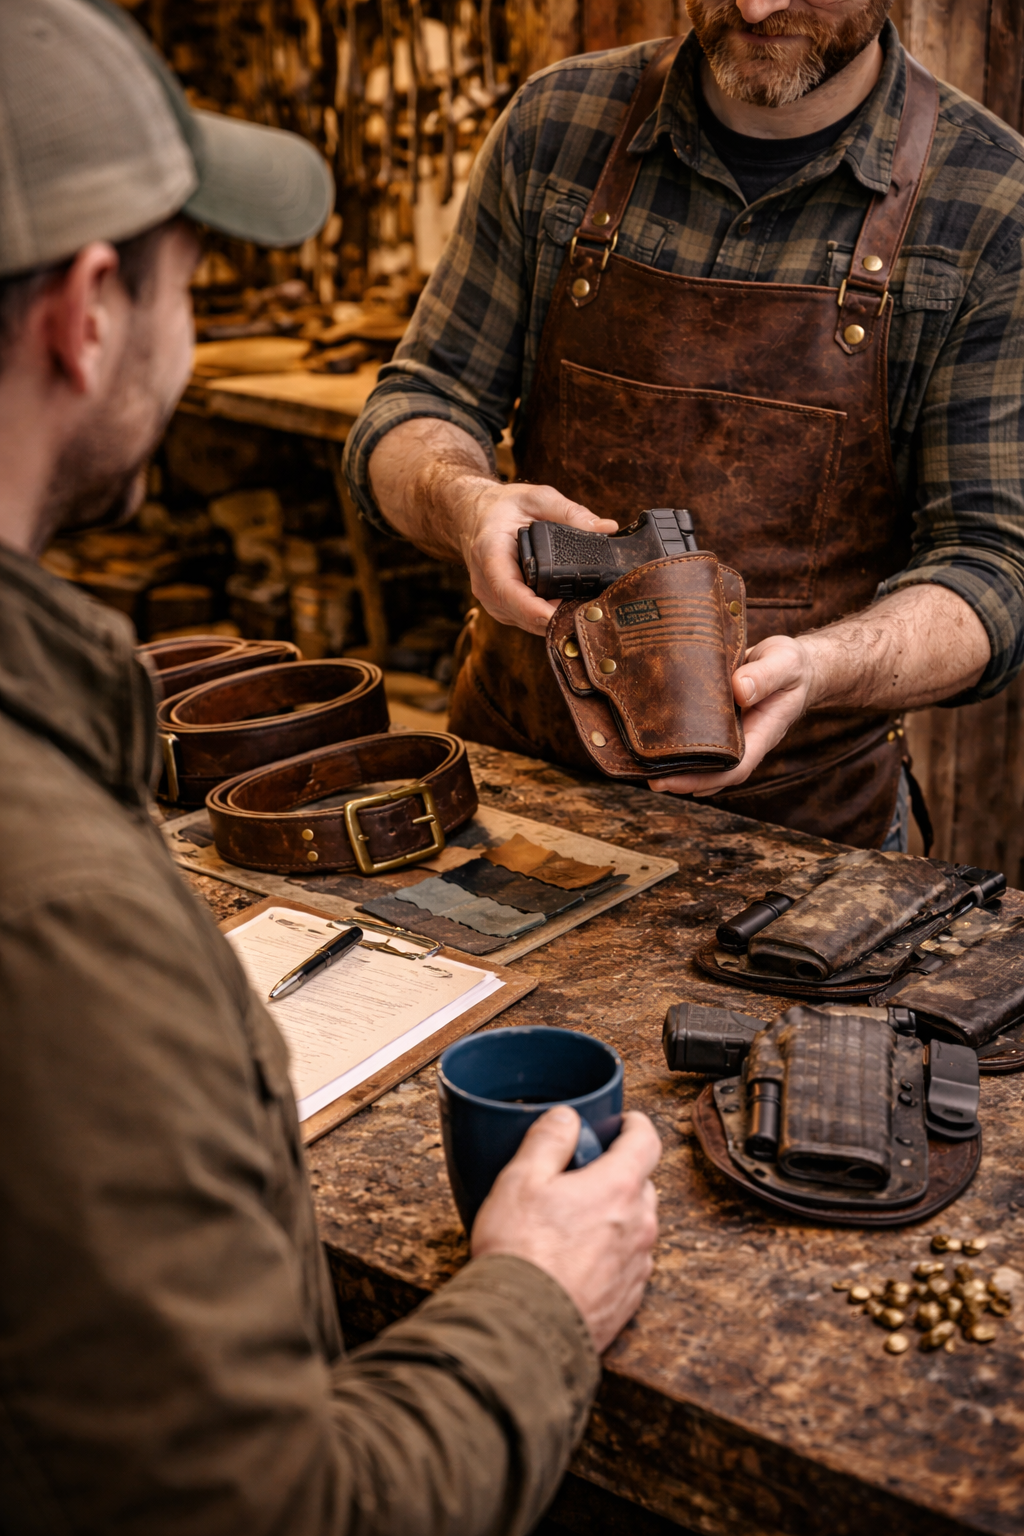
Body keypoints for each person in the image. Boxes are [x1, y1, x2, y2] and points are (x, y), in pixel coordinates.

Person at [0, 3, 661, 1531]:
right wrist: (534, 1297)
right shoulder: (65, 917)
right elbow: (279, 1510)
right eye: (189, 277)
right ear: (88, 315)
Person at [345, 0, 1024, 851]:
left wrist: (817, 671)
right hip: (518, 781)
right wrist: (464, 505)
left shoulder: (990, 201)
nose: (756, 5)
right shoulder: (558, 123)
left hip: (801, 829)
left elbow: (995, 569)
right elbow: (415, 406)